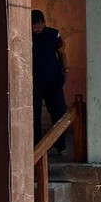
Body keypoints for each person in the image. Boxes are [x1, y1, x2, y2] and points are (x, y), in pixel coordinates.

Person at [31, 9, 68, 152]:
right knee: (34, 115)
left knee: (59, 111)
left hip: (53, 80)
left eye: (38, 27)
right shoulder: (24, 35)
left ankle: (61, 146)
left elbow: (61, 53)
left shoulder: (53, 34)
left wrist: (64, 70)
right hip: (33, 82)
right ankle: (36, 148)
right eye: (33, 28)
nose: (36, 30)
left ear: (44, 23)